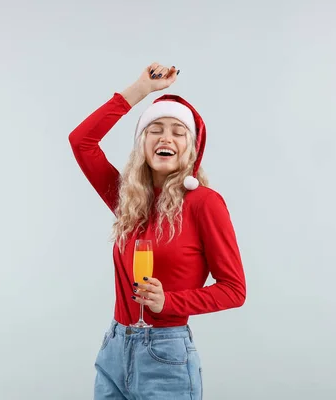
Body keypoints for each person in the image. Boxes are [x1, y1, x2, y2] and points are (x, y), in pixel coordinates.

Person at [68, 62, 246, 399]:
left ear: (190, 148)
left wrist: (169, 302)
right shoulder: (130, 200)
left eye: (178, 131)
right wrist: (141, 90)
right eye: (155, 129)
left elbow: (234, 289)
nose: (166, 137)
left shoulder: (204, 203)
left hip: (166, 357)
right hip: (115, 348)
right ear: (142, 142)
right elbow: (82, 142)